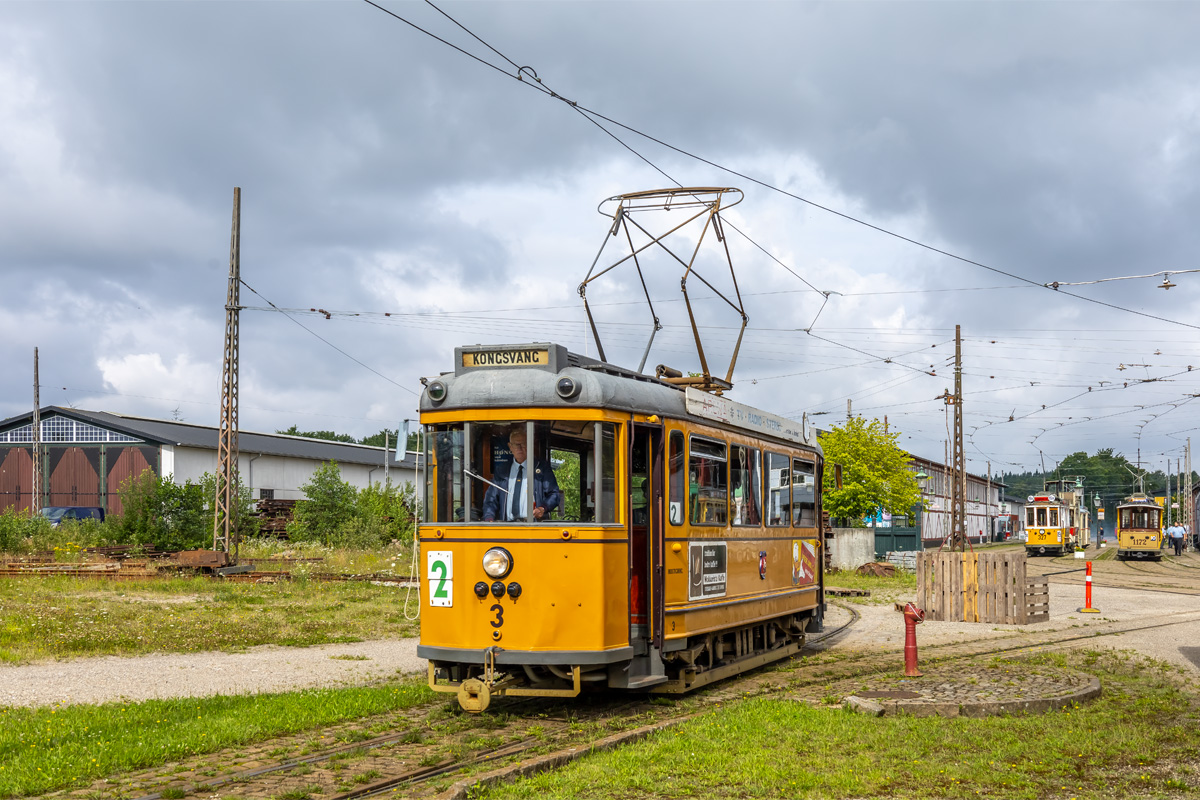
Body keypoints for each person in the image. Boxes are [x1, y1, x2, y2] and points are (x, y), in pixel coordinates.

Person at [481, 428, 560, 522]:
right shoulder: (502, 471)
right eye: (515, 444)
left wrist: (543, 508)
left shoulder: (542, 468)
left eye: (523, 444)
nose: (519, 448)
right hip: (507, 527)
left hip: (533, 527)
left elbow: (554, 494)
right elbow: (491, 499)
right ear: (510, 446)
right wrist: (489, 519)